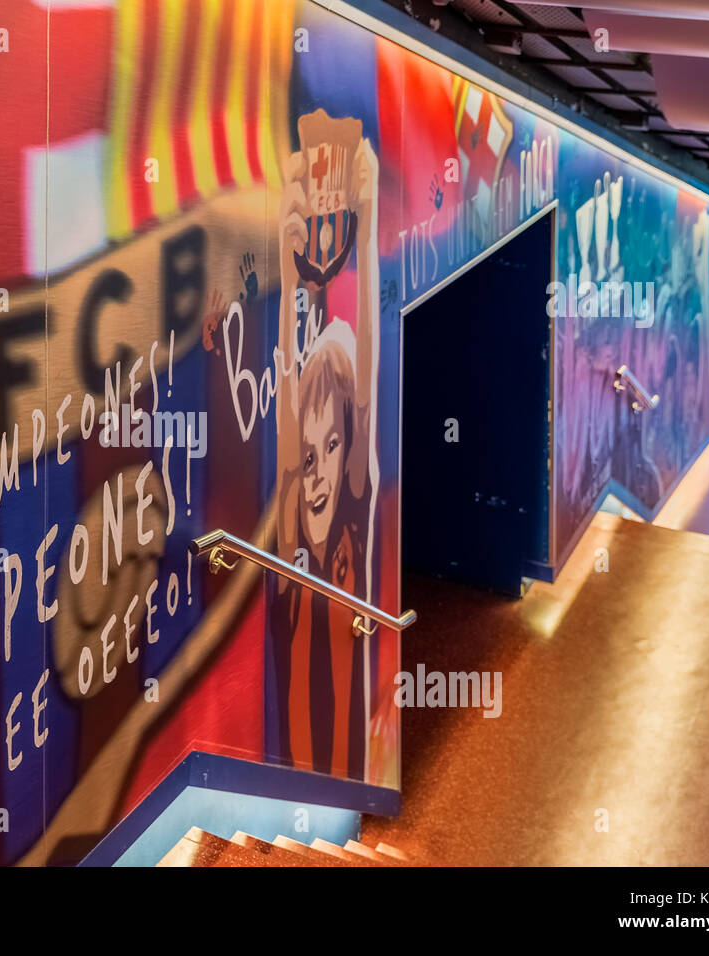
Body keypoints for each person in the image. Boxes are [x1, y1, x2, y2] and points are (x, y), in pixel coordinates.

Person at [272, 133, 381, 779]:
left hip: (345, 755)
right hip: (292, 750)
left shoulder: (355, 506)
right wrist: (286, 274)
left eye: (332, 447)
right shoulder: (291, 508)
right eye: (310, 457)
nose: (316, 473)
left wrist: (364, 230)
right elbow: (290, 383)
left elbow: (365, 357)